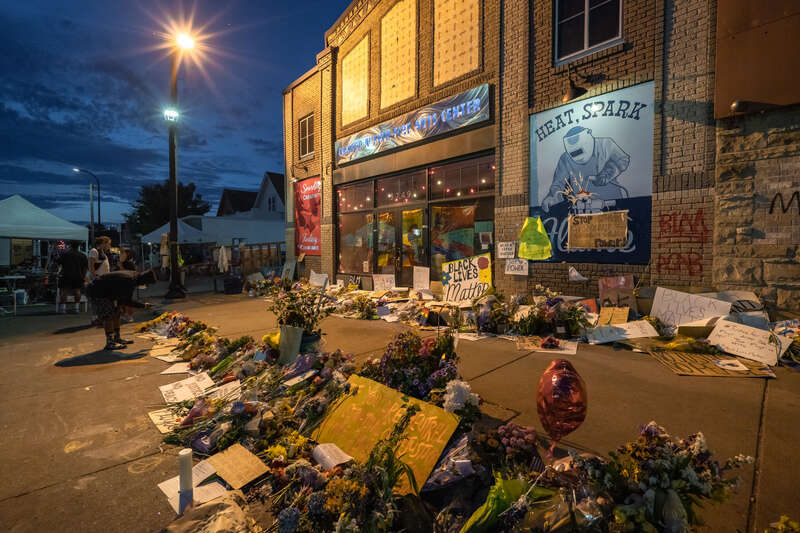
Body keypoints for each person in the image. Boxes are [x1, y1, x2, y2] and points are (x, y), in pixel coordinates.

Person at [541, 126, 631, 212]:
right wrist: (552, 197)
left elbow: (622, 159)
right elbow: (559, 183)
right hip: (583, 206)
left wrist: (607, 174)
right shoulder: (565, 158)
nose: (579, 157)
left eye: (580, 151)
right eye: (574, 153)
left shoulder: (605, 144)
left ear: (588, 137)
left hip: (611, 202)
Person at [88, 269, 156, 350]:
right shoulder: (130, 281)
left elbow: (123, 297)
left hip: (109, 292)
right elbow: (127, 301)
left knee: (117, 313)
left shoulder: (134, 277)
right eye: (146, 283)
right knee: (108, 316)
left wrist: (120, 306)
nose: (145, 285)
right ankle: (110, 342)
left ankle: (117, 338)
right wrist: (143, 306)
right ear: (143, 281)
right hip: (98, 291)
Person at [56, 241, 88, 314]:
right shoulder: (82, 255)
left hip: (66, 275)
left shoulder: (65, 254)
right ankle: (76, 308)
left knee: (64, 291)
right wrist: (83, 276)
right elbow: (85, 267)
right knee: (77, 290)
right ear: (78, 246)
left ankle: (63, 308)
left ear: (70, 245)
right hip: (78, 275)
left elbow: (58, 263)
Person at [88, 236, 111, 326]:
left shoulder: (102, 253)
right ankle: (95, 318)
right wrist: (95, 277)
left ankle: (99, 317)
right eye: (108, 243)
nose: (109, 246)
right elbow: (91, 266)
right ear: (103, 243)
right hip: (97, 280)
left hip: (103, 280)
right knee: (96, 300)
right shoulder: (94, 251)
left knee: (101, 300)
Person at [116, 248, 137, 322]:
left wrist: (120, 266)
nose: (120, 255)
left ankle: (130, 316)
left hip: (127, 284)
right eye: (120, 253)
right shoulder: (121, 262)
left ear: (127, 255)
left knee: (128, 301)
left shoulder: (129, 263)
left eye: (122, 254)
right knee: (121, 301)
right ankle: (123, 315)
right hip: (120, 284)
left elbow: (128, 273)